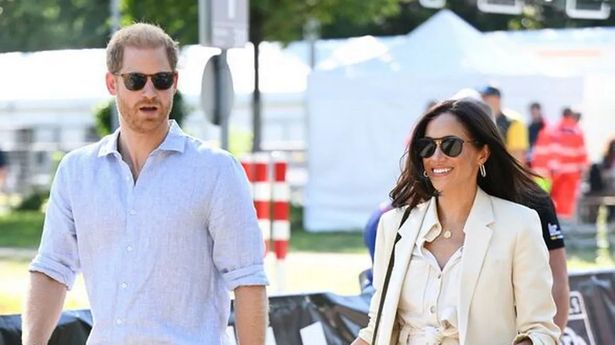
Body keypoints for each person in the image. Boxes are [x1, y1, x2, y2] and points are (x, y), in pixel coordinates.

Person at [22, 23, 268, 345]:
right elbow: (53, 270)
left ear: (174, 82)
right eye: (136, 80)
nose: (149, 93)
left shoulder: (216, 170)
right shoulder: (76, 172)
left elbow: (248, 280)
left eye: (161, 80)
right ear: (113, 83)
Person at [353, 99, 560, 345]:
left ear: (482, 153)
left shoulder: (519, 224)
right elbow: (377, 328)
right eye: (427, 147)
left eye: (451, 145)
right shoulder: (394, 225)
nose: (437, 157)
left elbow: (540, 330)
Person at [532, 107, 588, 220]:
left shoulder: (550, 129)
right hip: (569, 175)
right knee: (564, 208)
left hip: (548, 174)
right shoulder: (576, 132)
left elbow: (541, 153)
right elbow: (582, 157)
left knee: (547, 204)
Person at [480, 85, 529, 164]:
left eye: (485, 97)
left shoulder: (513, 121)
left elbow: (518, 155)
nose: (482, 100)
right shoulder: (484, 120)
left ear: (496, 99)